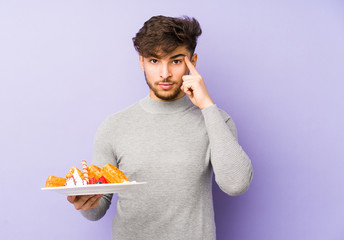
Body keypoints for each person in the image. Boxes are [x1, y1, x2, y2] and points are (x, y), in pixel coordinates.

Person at [67, 15, 253, 240]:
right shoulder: (114, 126)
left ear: (192, 62)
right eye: (154, 60)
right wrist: (85, 202)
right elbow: (98, 208)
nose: (165, 73)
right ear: (141, 62)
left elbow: (236, 184)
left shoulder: (216, 120)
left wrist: (207, 106)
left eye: (175, 61)